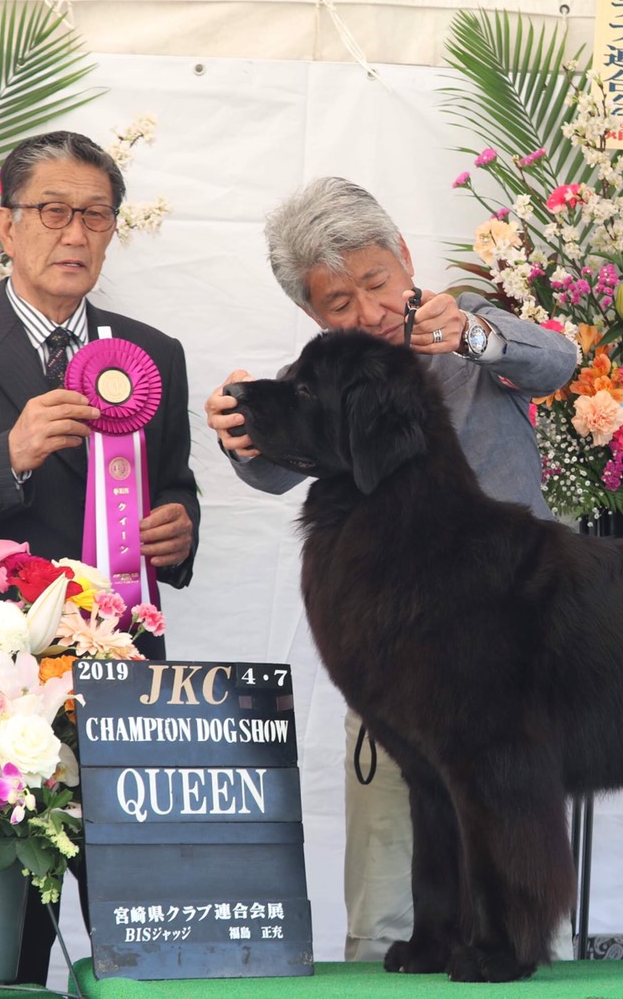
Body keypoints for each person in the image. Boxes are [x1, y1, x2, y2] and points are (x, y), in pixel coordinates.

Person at [204, 176, 577, 961]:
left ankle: (518, 943)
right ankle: (391, 952)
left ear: (406, 258)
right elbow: (273, 471)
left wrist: (475, 335)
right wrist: (241, 430)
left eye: (377, 283)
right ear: (311, 312)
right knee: (385, 855)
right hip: (395, 649)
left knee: (508, 806)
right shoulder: (329, 376)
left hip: (505, 643)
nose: (368, 312)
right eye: (339, 302)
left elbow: (558, 361)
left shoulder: (472, 335)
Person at [0, 129, 201, 984]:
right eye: (53, 211)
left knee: (144, 942)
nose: (76, 234)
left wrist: (178, 525)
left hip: (122, 674)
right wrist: (7, 457)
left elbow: (176, 486)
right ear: (7, 228)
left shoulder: (155, 353)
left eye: (96, 215)